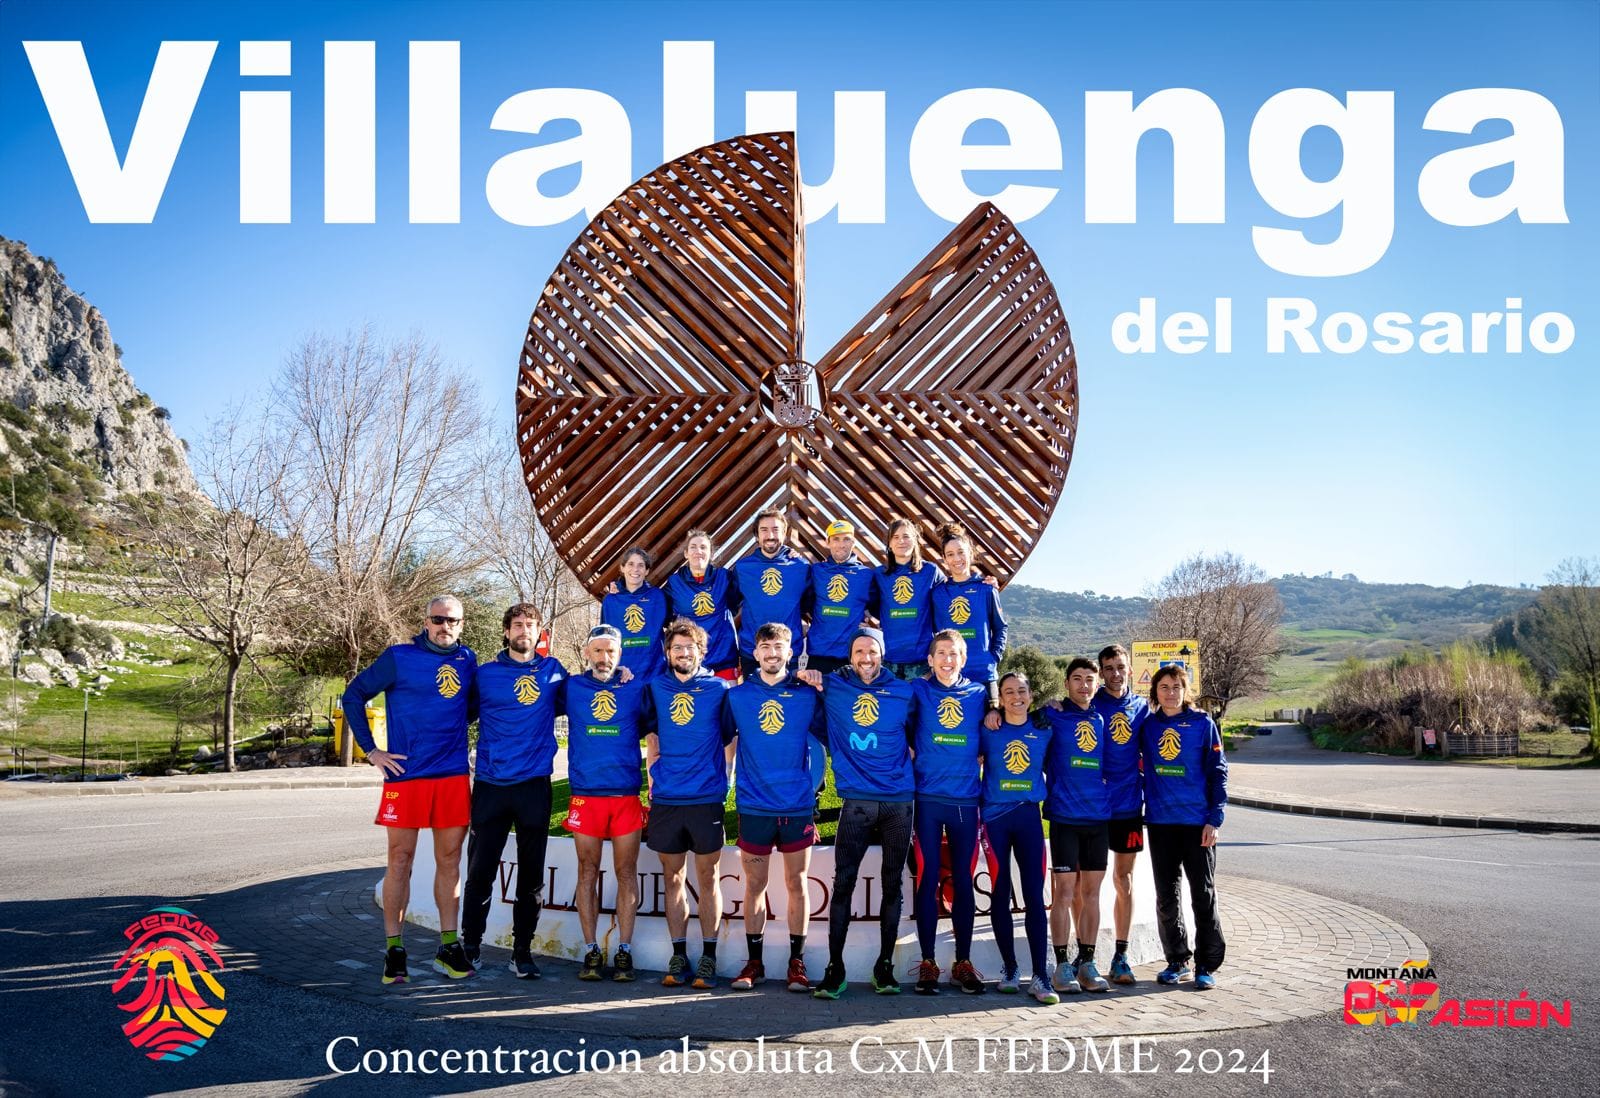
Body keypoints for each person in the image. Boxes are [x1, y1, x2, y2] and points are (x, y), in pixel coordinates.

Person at [342, 596, 478, 985]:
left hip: (451, 776)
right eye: (438, 619)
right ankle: (394, 950)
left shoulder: (467, 660)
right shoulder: (399, 657)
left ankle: (448, 947)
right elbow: (353, 695)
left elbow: (470, 707)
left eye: (452, 620)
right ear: (426, 621)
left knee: (450, 861)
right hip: (406, 777)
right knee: (400, 860)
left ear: (461, 624)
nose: (445, 626)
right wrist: (371, 751)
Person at [801, 626, 918, 999]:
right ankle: (835, 968)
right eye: (859, 652)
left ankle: (885, 966)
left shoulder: (904, 691)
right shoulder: (833, 686)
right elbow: (805, 700)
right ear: (849, 656)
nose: (866, 658)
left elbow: (919, 734)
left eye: (872, 651)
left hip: (899, 802)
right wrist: (809, 675)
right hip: (857, 802)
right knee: (843, 884)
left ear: (882, 654)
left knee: (892, 884)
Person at [459, 603, 568, 978]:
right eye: (518, 624)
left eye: (530, 625)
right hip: (491, 784)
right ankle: (471, 946)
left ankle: (522, 952)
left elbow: (589, 694)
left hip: (534, 786)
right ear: (506, 631)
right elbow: (457, 715)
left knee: (531, 877)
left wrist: (619, 672)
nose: (524, 630)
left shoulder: (554, 672)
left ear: (539, 632)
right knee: (480, 873)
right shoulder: (485, 675)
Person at [724, 623, 824, 992]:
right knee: (755, 885)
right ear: (755, 652)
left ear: (790, 651)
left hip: (796, 804)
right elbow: (720, 739)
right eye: (765, 646)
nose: (771, 653)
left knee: (797, 883)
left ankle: (797, 963)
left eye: (778, 646)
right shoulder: (737, 697)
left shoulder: (807, 695)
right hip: (754, 805)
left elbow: (832, 734)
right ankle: (755, 962)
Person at [644, 618, 736, 989]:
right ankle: (679, 954)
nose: (683, 653)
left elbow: (728, 738)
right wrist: (653, 777)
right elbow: (652, 736)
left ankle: (709, 957)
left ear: (702, 651)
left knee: (708, 877)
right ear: (668, 653)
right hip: (668, 797)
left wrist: (726, 778)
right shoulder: (656, 687)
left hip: (706, 797)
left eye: (690, 647)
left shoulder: (719, 688)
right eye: (677, 647)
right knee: (673, 878)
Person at [563, 624, 649, 982]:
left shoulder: (635, 688)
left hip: (624, 795)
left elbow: (656, 728)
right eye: (597, 650)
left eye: (611, 651)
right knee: (587, 871)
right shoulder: (570, 687)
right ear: (587, 653)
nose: (604, 657)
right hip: (586, 795)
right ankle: (591, 950)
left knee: (627, 872)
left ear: (620, 654)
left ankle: (624, 950)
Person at [908, 630, 989, 995]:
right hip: (928, 799)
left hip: (966, 801)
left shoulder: (979, 695)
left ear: (963, 658)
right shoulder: (918, 690)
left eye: (953, 653)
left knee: (963, 882)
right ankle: (928, 962)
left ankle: (963, 962)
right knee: (926, 880)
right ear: (930, 659)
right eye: (940, 653)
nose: (947, 659)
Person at [1142, 664, 1228, 991]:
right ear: (1155, 692)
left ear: (1185, 690)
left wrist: (1214, 819)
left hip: (1197, 824)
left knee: (1203, 896)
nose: (1170, 693)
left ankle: (1206, 964)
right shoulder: (1148, 726)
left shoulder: (1203, 724)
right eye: (1164, 687)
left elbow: (1218, 772)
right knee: (1166, 897)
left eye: (1176, 687)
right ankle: (1177, 961)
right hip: (1161, 823)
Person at [980, 671, 1058, 1005]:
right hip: (995, 819)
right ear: (1000, 698)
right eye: (1009, 691)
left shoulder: (1044, 728)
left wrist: (1053, 705)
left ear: (1031, 695)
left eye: (1022, 691)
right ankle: (1010, 969)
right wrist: (989, 713)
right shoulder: (988, 729)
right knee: (999, 894)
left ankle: (1040, 975)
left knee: (1034, 897)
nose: (1016, 697)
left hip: (1028, 817)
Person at [1041, 658, 1111, 994]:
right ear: (1067, 683)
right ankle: (1061, 966)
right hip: (1064, 818)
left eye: (1089, 679)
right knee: (1064, 894)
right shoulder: (1052, 714)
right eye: (1077, 679)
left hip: (1098, 818)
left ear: (1097, 684)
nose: (1084, 685)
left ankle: (1087, 963)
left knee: (1092, 894)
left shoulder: (1101, 718)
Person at [1094, 643, 1150, 985]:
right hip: (1095, 807)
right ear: (1101, 672)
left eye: (1120, 667)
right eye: (1109, 668)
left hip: (1129, 806)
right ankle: (1085, 956)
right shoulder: (1091, 703)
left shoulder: (1142, 707)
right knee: (1088, 883)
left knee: (1123, 880)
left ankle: (1121, 954)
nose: (1115, 673)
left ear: (1130, 669)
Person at [930, 523, 1008, 707]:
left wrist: (993, 658)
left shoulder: (986, 589)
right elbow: (932, 631)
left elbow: (1000, 627)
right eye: (950, 554)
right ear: (944, 559)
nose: (956, 558)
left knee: (990, 722)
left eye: (961, 552)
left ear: (970, 553)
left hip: (983, 674)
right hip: (950, 675)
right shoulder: (938, 593)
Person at [731, 510, 810, 677]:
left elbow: (811, 603)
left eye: (775, 529)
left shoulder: (801, 567)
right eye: (764, 530)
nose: (770, 535)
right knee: (753, 695)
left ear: (784, 533)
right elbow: (732, 603)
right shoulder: (743, 568)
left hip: (787, 651)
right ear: (757, 535)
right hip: (752, 652)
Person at [662, 530, 741, 681]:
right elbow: (657, 609)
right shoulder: (674, 583)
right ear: (686, 553)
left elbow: (744, 596)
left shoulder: (724, 577)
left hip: (723, 659)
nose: (698, 551)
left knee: (727, 696)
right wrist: (621, 588)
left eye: (703, 547)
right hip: (690, 661)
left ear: (711, 553)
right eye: (693, 547)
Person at [873, 517, 945, 680]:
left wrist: (986, 583)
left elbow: (951, 594)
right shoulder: (879, 574)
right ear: (889, 543)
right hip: (889, 660)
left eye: (906, 536)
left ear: (915, 540)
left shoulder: (930, 571)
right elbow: (869, 603)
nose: (901, 541)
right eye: (896, 537)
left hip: (922, 661)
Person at [806, 519, 876, 675]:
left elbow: (879, 607)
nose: (841, 544)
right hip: (819, 653)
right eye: (836, 539)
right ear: (828, 542)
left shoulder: (865, 575)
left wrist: (872, 628)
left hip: (851, 655)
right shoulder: (816, 571)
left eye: (846, 539)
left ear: (854, 542)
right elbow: (805, 602)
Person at [601, 547, 669, 682]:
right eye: (630, 564)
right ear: (622, 568)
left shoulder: (657, 596)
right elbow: (604, 638)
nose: (635, 569)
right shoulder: (610, 600)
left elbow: (672, 625)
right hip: (623, 673)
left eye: (641, 565)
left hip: (654, 672)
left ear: (647, 570)